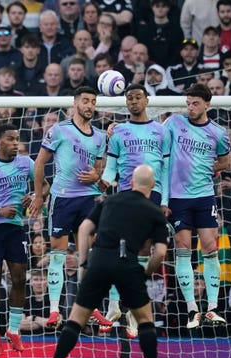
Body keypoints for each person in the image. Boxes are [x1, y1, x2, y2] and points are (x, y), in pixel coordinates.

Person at [30, 165, 175, 358]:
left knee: (76, 319)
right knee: (145, 321)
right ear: (153, 185)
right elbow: (161, 252)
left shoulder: (109, 201)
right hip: (127, 263)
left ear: (132, 183)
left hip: (99, 260)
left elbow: (85, 227)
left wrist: (85, 260)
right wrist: (145, 272)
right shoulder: (154, 211)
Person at [28, 86, 109, 328]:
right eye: (85, 101)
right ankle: (54, 310)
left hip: (89, 199)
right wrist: (40, 195)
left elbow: (100, 170)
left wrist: (96, 176)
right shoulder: (59, 130)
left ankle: (91, 306)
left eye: (93, 101)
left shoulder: (99, 136)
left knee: (87, 255)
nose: (89, 106)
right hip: (62, 199)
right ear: (75, 103)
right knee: (58, 254)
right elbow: (39, 162)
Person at [97, 83, 170, 337]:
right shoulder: (118, 132)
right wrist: (103, 183)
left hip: (154, 193)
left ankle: (133, 311)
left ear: (147, 101)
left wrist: (166, 201)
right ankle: (115, 306)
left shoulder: (161, 132)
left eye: (138, 97)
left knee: (143, 249)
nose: (134, 102)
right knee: (121, 250)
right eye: (129, 98)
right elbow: (111, 167)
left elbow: (167, 169)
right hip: (126, 194)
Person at [0, 123, 50, 354]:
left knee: (19, 278)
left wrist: (36, 196)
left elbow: (45, 185)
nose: (16, 143)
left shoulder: (26, 163)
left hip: (16, 228)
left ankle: (13, 331)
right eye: (10, 139)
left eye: (17, 138)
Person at [163, 83, 230, 329]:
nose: (190, 108)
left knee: (210, 247)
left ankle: (212, 308)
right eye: (188, 103)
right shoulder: (173, 123)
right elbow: (152, 136)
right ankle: (192, 309)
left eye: (196, 103)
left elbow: (224, 160)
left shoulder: (218, 133)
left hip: (204, 196)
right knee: (183, 248)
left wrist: (212, 169)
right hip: (178, 197)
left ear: (207, 104)